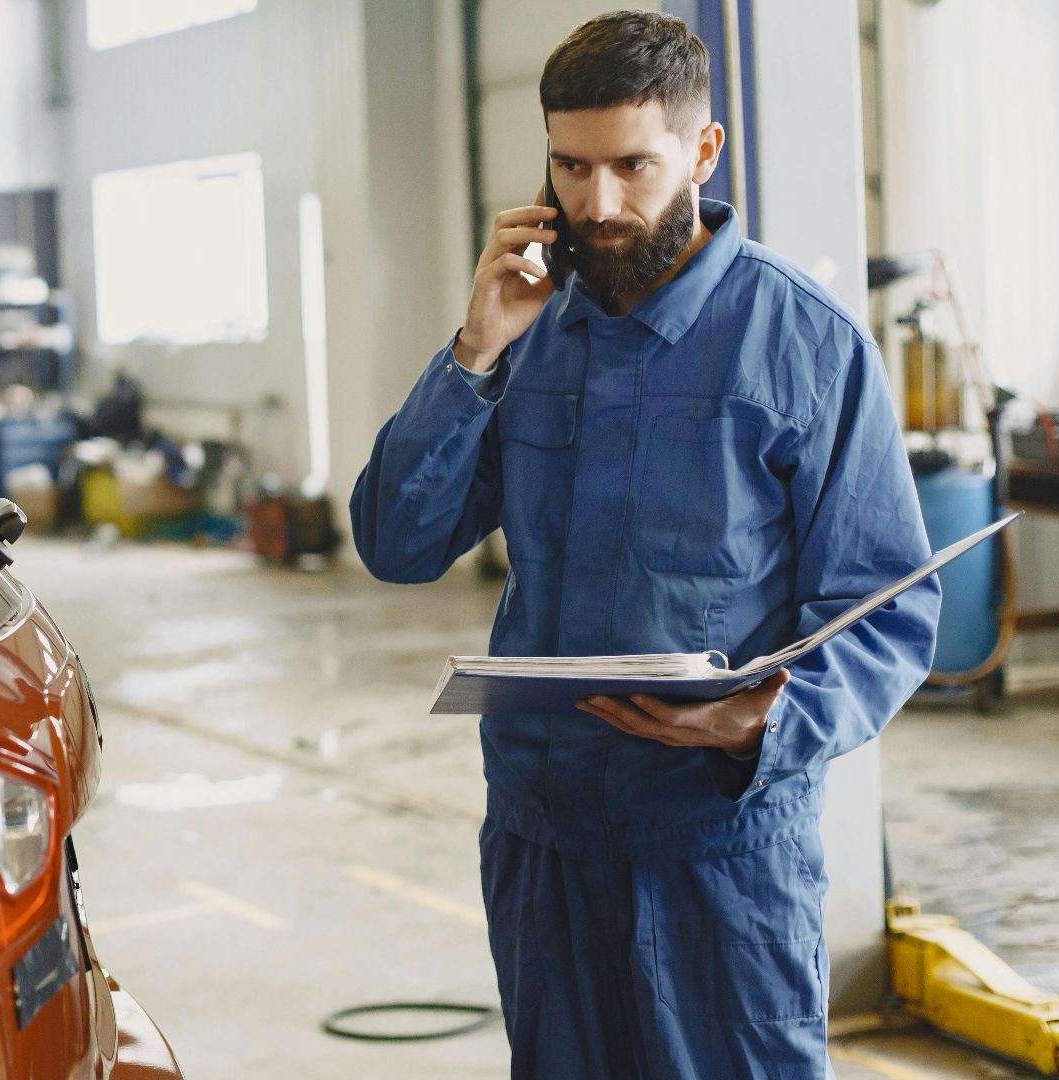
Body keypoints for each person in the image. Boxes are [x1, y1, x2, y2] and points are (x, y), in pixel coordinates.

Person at [349, 10, 939, 1078]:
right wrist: (474, 349)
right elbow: (396, 541)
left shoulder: (804, 345)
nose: (599, 204)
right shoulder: (531, 331)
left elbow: (889, 608)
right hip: (543, 836)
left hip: (715, 851)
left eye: (633, 164)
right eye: (571, 168)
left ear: (703, 152)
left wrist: (766, 717)